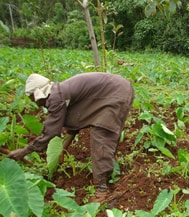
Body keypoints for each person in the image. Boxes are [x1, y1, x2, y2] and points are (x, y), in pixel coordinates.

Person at [8, 72, 134, 202]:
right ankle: (107, 165)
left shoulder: (56, 97)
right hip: (118, 88)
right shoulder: (60, 92)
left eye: (31, 98)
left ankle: (102, 190)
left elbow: (51, 131)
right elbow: (75, 121)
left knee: (101, 136)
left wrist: (24, 151)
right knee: (105, 133)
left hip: (114, 92)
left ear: (37, 94)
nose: (34, 103)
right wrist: (63, 149)